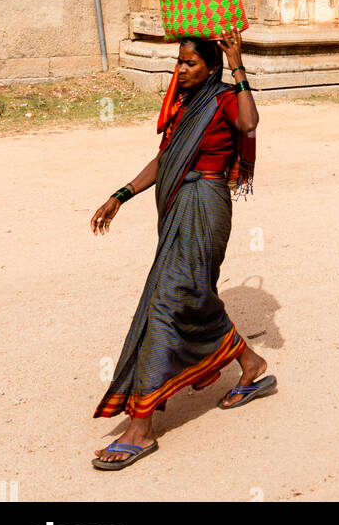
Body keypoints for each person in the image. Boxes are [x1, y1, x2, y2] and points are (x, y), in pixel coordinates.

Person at [90, 29, 275, 470]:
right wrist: (121, 194)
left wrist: (238, 65)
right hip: (177, 209)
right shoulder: (184, 107)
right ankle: (249, 363)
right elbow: (164, 158)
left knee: (169, 300)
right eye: (178, 62)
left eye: (189, 63)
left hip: (206, 207)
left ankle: (141, 425)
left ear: (210, 67)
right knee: (189, 296)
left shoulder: (226, 98)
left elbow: (250, 124)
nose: (181, 70)